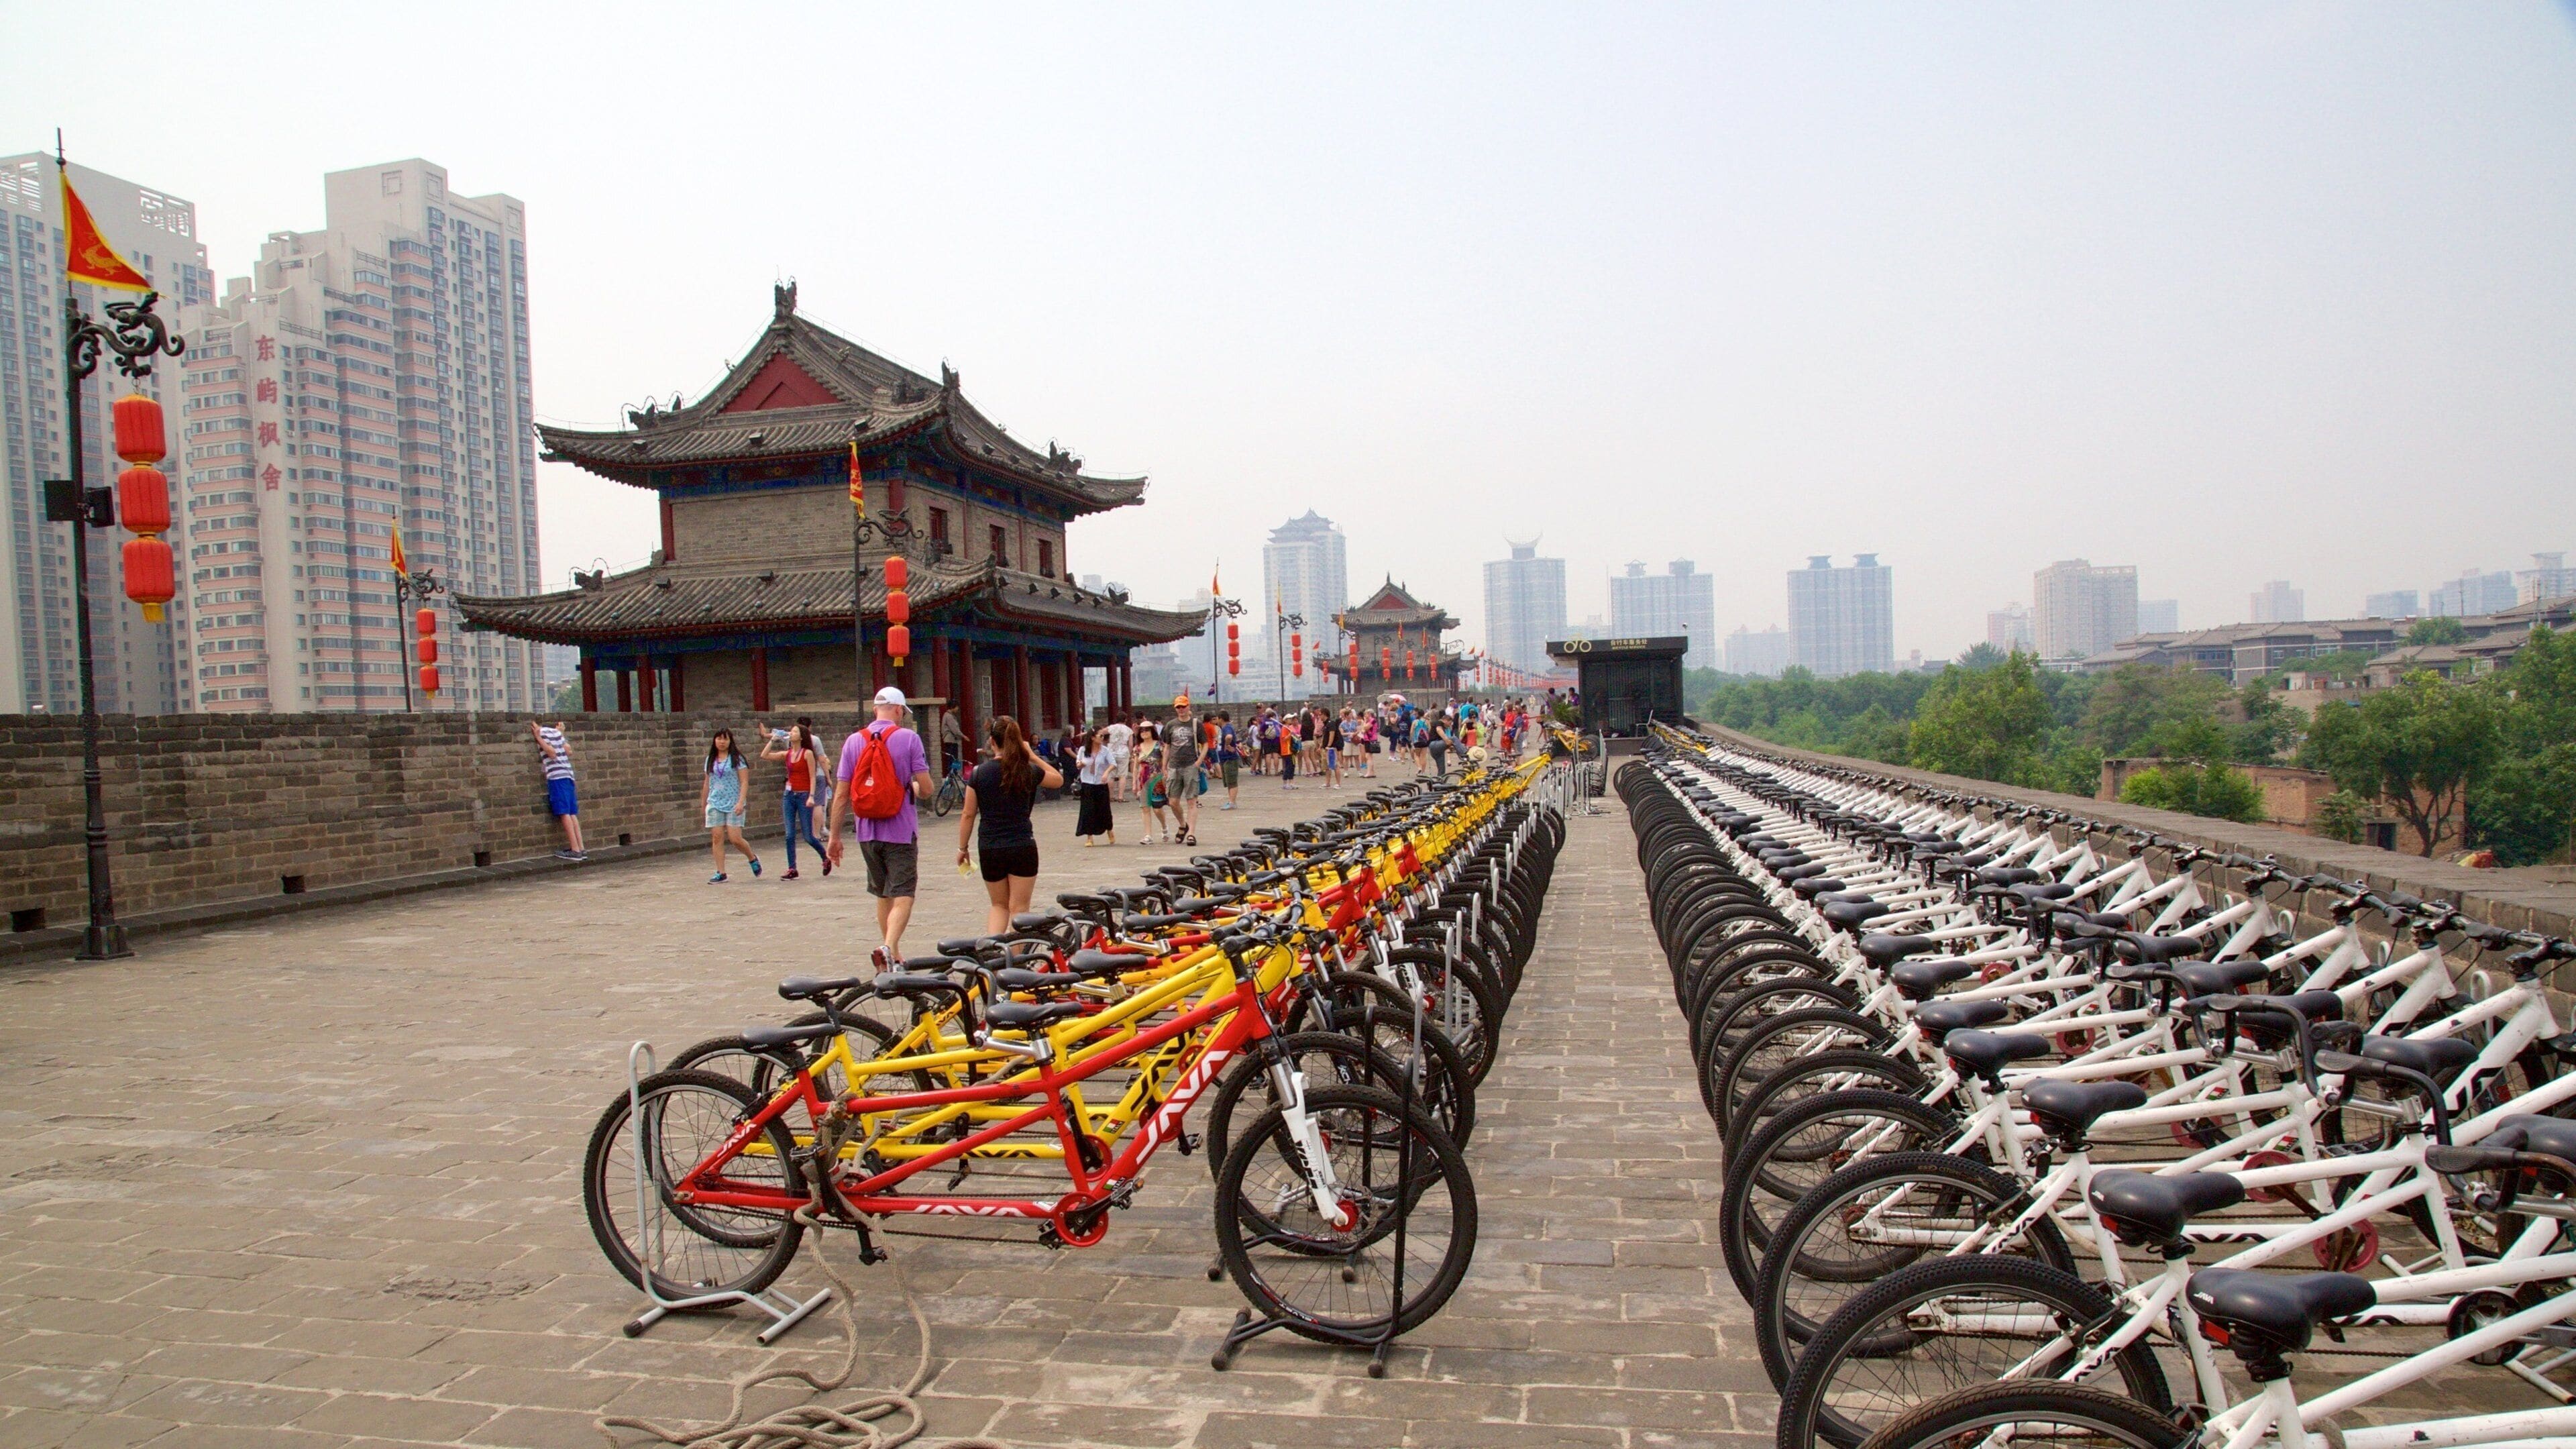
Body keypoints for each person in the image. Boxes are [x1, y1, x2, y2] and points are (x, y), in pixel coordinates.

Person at [828, 686, 935, 967]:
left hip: (867, 832)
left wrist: (834, 837)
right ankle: (888, 947)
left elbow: (841, 795)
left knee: (882, 892)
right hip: (900, 831)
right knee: (903, 894)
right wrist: (913, 788)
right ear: (899, 710)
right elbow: (926, 789)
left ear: (875, 710)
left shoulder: (854, 741)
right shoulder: (909, 738)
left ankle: (893, 955)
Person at [959, 715, 1061, 934]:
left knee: (998, 906)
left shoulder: (979, 774)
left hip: (990, 846)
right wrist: (1032, 756)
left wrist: (962, 848)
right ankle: (1016, 954)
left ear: (992, 742)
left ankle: (994, 952)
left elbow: (968, 814)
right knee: (1019, 908)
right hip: (1022, 844)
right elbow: (1058, 779)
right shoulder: (1027, 770)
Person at [763, 719, 832, 880]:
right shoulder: (787, 754)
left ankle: (825, 857)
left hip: (804, 795)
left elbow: (812, 776)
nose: (792, 733)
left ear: (801, 737)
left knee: (808, 836)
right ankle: (792, 868)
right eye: (792, 731)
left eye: (795, 732)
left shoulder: (807, 754)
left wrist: (812, 796)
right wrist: (772, 740)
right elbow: (764, 755)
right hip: (789, 796)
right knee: (789, 835)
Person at [702, 728, 762, 882]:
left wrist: (741, 802)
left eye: (725, 739)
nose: (722, 742)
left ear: (730, 741)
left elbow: (744, 782)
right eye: (719, 739)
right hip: (715, 802)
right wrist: (704, 804)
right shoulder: (710, 759)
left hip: (734, 803)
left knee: (735, 838)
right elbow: (707, 782)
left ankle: (752, 858)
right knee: (717, 837)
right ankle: (721, 872)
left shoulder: (737, 759)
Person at [530, 720, 586, 861]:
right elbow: (569, 751)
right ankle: (581, 848)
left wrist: (539, 738)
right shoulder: (558, 734)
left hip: (557, 777)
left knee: (564, 812)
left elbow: (552, 753)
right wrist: (561, 735)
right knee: (572, 813)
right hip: (568, 775)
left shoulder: (543, 734)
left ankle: (575, 850)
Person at [1161, 701, 1201, 846]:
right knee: (1173, 802)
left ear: (1188, 707)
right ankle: (1183, 825)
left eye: (1183, 706)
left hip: (1190, 765)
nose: (1181, 709)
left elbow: (1205, 744)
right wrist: (1164, 766)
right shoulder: (1170, 725)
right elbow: (1167, 747)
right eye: (1178, 707)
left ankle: (1191, 834)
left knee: (1192, 801)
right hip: (1174, 766)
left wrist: (1198, 762)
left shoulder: (1196, 724)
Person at [1074, 727, 1118, 845]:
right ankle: (1089, 837)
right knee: (1088, 810)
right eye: (1101, 736)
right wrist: (1082, 764)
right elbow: (1078, 764)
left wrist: (1106, 772)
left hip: (1101, 783)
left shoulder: (1105, 751)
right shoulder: (1083, 750)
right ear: (1093, 738)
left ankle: (1109, 830)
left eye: (1104, 736)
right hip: (1087, 783)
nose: (1103, 738)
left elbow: (1113, 763)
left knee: (1104, 809)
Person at [1214, 710, 1242, 810]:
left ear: (1221, 719)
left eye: (1217, 718)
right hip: (1225, 758)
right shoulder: (1226, 728)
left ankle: (1232, 802)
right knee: (1229, 782)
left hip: (1230, 758)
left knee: (1232, 781)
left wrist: (1227, 745)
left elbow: (1229, 737)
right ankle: (1231, 801)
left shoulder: (1227, 728)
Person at [1102, 714, 1132, 801]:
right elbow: (1130, 744)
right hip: (1123, 753)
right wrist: (1130, 755)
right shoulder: (1129, 730)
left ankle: (1111, 796)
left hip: (1111, 752)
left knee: (1111, 775)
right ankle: (1121, 796)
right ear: (1125, 720)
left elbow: (1101, 732)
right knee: (1122, 776)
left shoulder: (1111, 728)